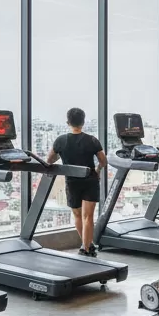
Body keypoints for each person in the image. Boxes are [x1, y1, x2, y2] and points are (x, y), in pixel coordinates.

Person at [46, 107, 106, 255]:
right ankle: (87, 246)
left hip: (72, 182)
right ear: (83, 122)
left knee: (78, 216)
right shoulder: (92, 140)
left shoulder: (60, 141)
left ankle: (86, 246)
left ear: (68, 122)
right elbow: (103, 161)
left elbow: (50, 160)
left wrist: (61, 155)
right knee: (88, 216)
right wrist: (98, 170)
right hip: (90, 180)